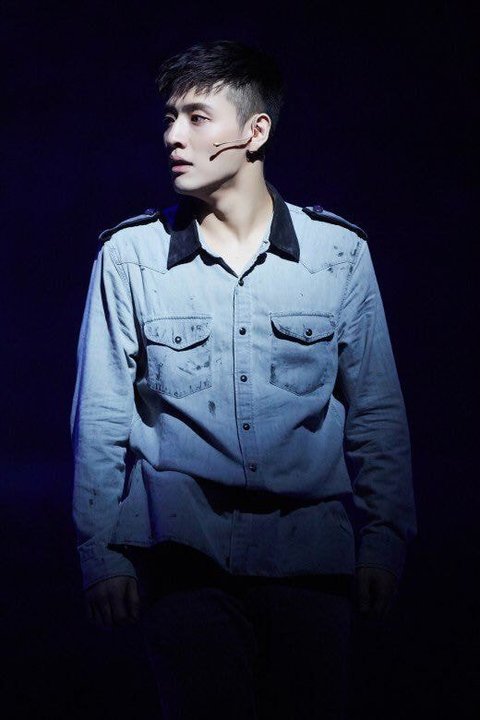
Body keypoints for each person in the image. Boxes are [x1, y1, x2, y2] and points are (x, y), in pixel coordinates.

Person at [70, 39, 417, 720]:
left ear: (255, 132)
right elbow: (101, 417)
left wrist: (386, 538)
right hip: (183, 561)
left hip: (312, 565)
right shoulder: (130, 257)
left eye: (197, 118)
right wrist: (99, 554)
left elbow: (376, 409)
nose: (173, 136)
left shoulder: (337, 254)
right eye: (170, 118)